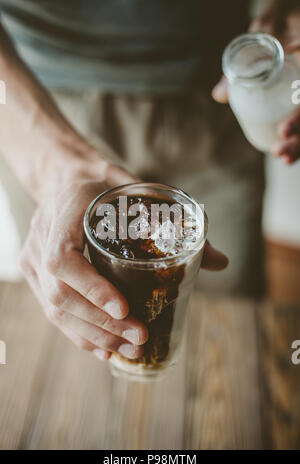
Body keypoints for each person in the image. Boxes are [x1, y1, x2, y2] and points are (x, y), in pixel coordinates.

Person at [0, 0, 299, 362]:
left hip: (218, 98)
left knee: (229, 315)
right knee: (80, 319)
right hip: (39, 103)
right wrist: (55, 166)